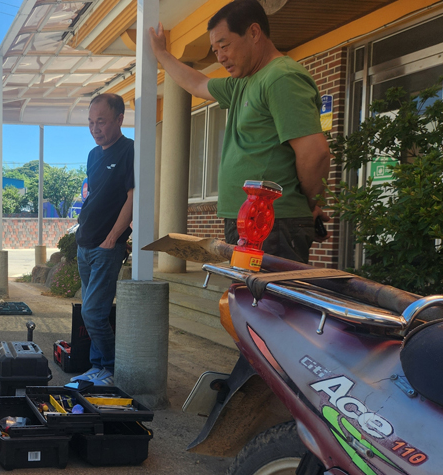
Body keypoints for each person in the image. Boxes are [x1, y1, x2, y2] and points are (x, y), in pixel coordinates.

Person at [149, 0, 331, 263]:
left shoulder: (281, 77)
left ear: (254, 33)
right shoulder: (242, 83)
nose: (220, 57)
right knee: (246, 300)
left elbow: (315, 153)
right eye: (215, 50)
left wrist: (312, 204)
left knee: (268, 303)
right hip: (248, 219)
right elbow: (198, 83)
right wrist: (162, 55)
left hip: (274, 222)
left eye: (225, 46)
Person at [68, 93, 135, 388]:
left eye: (102, 122)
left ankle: (109, 367)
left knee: (93, 312)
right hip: (85, 243)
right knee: (91, 311)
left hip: (107, 246)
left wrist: (112, 238)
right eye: (91, 122)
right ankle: (97, 366)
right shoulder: (93, 155)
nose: (95, 128)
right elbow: (95, 197)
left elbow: (133, 197)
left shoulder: (130, 151)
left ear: (120, 119)